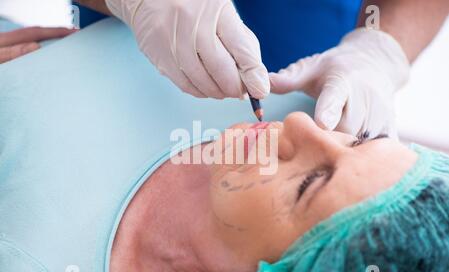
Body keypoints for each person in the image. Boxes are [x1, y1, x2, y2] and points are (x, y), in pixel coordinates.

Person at [1, 18, 449, 272]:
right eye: (358, 142)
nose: (302, 127)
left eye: (307, 183)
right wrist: (379, 46)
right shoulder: (301, 94)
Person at [75, 0, 449, 138]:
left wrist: (379, 49)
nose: (305, 133)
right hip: (120, 63)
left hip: (315, 43)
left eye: (316, 180)